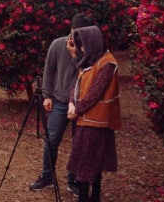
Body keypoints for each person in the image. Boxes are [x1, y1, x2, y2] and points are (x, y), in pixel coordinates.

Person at [29, 13, 93, 195]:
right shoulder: (58, 44)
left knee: (78, 143)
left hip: (82, 104)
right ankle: (47, 176)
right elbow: (49, 70)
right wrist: (47, 96)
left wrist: (75, 55)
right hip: (60, 101)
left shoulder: (90, 48)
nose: (77, 36)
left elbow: (87, 74)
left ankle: (74, 180)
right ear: (70, 29)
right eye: (75, 31)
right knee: (51, 139)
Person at [66, 24, 121, 202]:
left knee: (88, 165)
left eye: (82, 45)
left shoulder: (107, 63)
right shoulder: (92, 60)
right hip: (85, 119)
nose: (81, 49)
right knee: (88, 164)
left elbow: (95, 94)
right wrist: (71, 103)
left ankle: (88, 198)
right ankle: (92, 198)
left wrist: (77, 110)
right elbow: (77, 84)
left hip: (96, 123)